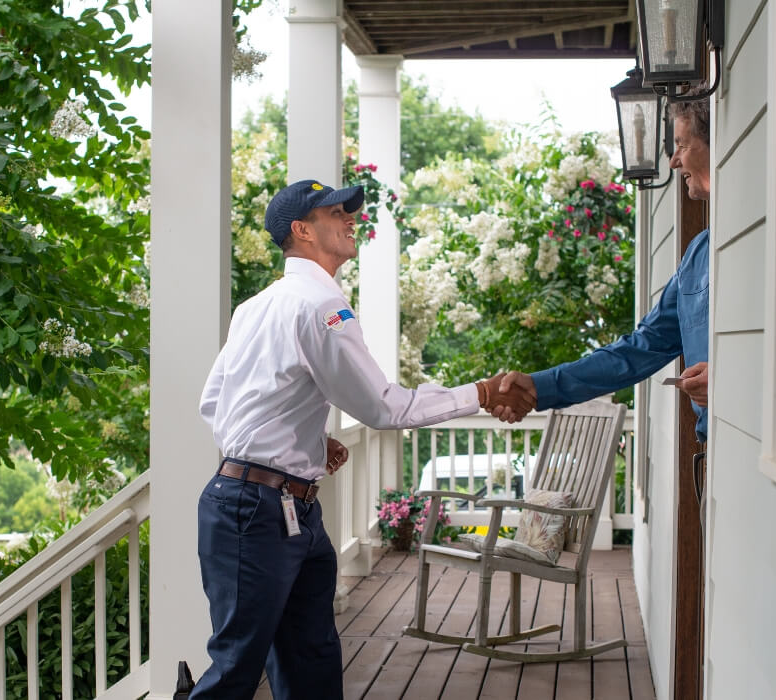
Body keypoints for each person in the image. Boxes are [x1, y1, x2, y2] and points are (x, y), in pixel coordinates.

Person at [192, 179, 534, 699]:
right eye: (335, 213)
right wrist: (482, 392)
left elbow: (215, 403)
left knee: (311, 661)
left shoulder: (255, 306)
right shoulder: (323, 307)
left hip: (281, 508)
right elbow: (384, 407)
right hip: (257, 512)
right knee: (238, 669)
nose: (351, 219)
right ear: (302, 230)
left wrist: (305, 437)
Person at [490, 94, 712, 440]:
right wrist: (539, 386)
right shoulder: (698, 254)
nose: (673, 162)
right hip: (713, 465)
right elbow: (641, 348)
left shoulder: (771, 237)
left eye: (682, 144)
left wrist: (732, 380)